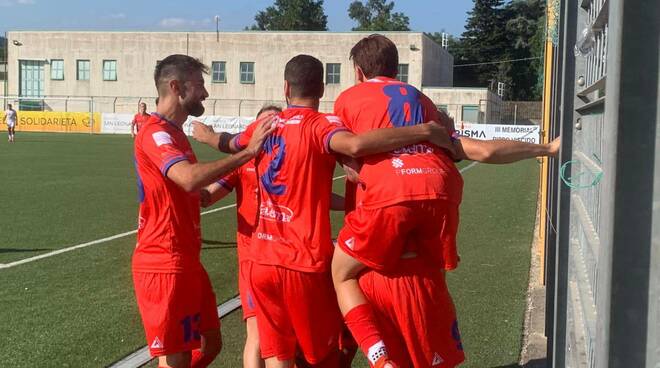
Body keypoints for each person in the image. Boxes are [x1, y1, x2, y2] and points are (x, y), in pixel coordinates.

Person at [197, 54, 454, 368]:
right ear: (321, 88)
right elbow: (357, 146)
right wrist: (423, 131)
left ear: (285, 87)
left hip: (261, 262)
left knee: (277, 354)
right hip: (302, 262)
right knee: (322, 357)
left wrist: (206, 135)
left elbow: (227, 143)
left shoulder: (261, 126)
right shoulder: (323, 125)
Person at [330, 34, 560, 368]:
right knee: (426, 265)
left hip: (390, 194)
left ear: (358, 70)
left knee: (342, 275)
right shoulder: (423, 102)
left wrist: (344, 160)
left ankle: (381, 359)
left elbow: (348, 145)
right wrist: (546, 149)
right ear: (396, 70)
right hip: (441, 190)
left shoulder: (349, 98)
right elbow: (481, 150)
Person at [132, 54, 275, 368]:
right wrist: (249, 153)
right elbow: (188, 178)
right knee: (176, 357)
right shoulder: (155, 133)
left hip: (187, 259)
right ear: (176, 87)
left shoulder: (176, 133)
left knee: (210, 343)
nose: (206, 94)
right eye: (199, 86)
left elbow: (197, 194)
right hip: (163, 260)